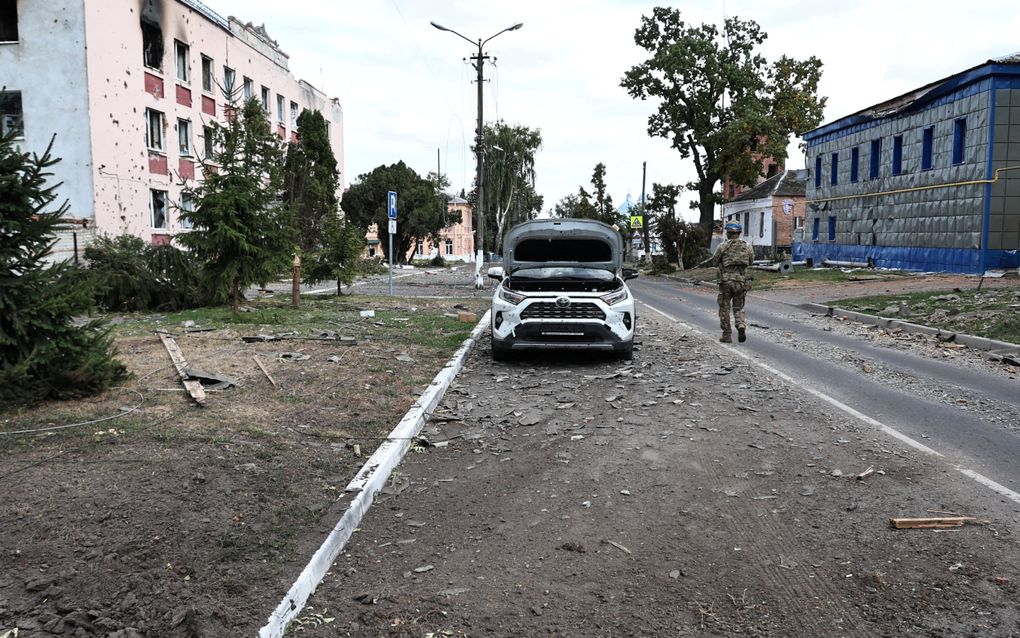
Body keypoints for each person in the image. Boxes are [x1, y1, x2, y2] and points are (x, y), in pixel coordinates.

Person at [708, 222, 754, 343]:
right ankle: (740, 325)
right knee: (738, 307)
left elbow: (714, 262)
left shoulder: (722, 246)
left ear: (728, 233)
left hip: (726, 282)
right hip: (741, 282)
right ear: (739, 233)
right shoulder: (747, 246)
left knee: (725, 308)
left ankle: (727, 335)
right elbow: (751, 261)